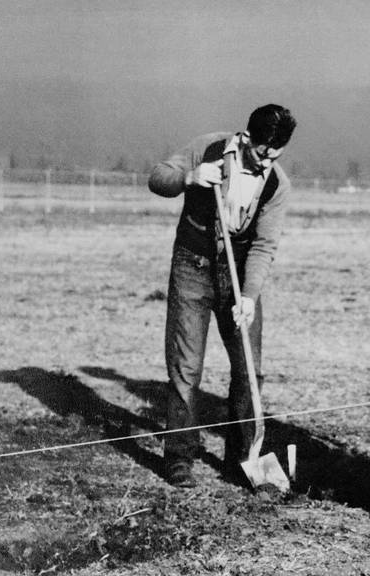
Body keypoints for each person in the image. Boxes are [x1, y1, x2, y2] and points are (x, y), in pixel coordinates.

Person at [148, 105, 296, 488]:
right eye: (263, 152)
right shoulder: (208, 147)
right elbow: (157, 178)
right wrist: (189, 177)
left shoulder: (277, 184)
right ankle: (180, 457)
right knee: (186, 367)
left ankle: (243, 460)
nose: (267, 162)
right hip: (192, 264)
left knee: (249, 368)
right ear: (247, 139)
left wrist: (248, 295)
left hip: (239, 271)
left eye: (275, 156)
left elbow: (264, 244)